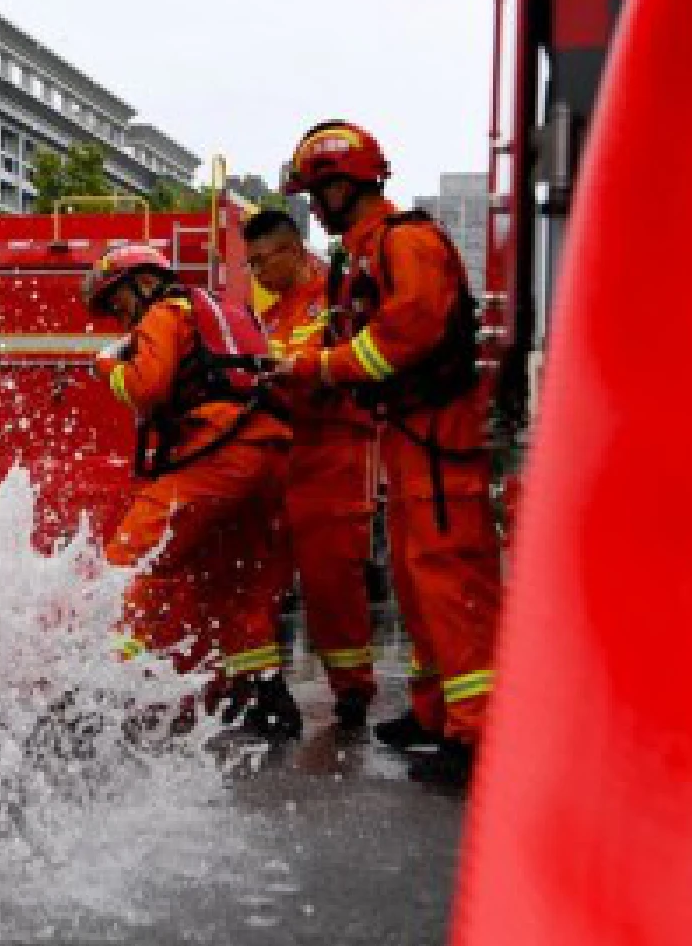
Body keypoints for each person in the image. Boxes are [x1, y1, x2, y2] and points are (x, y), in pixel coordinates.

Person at [275, 120, 500, 787]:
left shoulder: (408, 244)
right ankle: (436, 713)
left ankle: (478, 732)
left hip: (438, 436)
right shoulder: (370, 251)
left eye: (318, 193)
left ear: (345, 185)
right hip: (409, 434)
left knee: (448, 579)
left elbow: (409, 332)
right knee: (413, 573)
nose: (314, 208)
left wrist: (323, 368)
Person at [84, 243, 302, 737]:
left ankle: (100, 694)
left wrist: (106, 368)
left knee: (131, 562)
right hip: (269, 456)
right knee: (235, 584)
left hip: (220, 453)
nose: (120, 318)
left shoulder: (164, 312)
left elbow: (147, 389)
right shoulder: (223, 310)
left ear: (142, 283)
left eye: (118, 303)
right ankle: (267, 698)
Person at [244, 209, 380, 729]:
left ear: (293, 250)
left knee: (332, 581)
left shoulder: (337, 298)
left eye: (262, 261)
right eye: (250, 264)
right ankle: (262, 690)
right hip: (281, 454)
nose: (256, 273)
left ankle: (352, 692)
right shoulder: (274, 316)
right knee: (259, 576)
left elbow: (335, 360)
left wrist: (282, 364)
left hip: (333, 451)